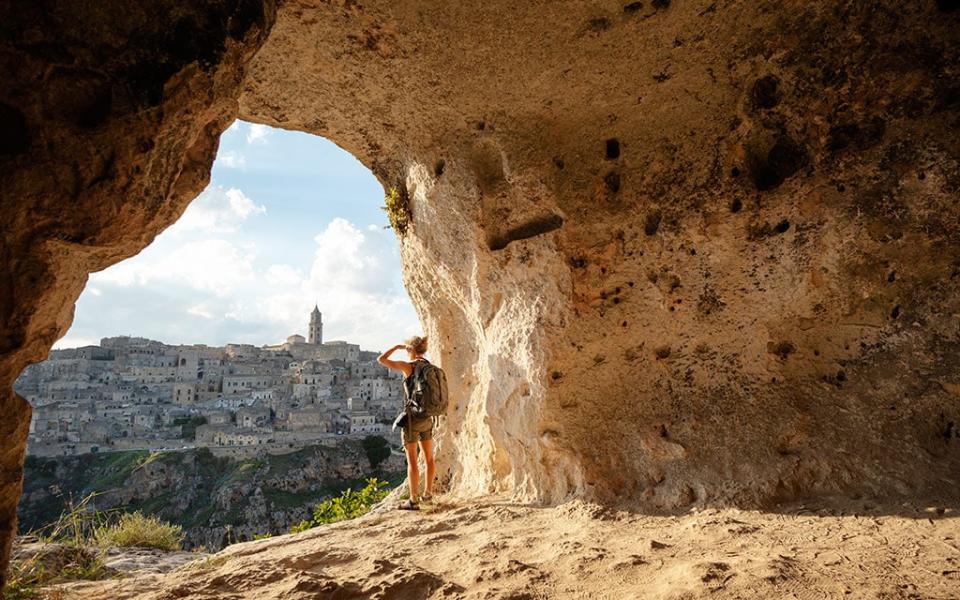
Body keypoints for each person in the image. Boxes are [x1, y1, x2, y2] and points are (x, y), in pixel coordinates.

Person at [378, 335, 435, 511]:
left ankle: (413, 499)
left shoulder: (408, 367)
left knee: (412, 461)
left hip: (412, 420)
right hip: (427, 417)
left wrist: (396, 347)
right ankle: (428, 495)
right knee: (429, 458)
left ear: (410, 349)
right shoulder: (429, 367)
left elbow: (381, 359)